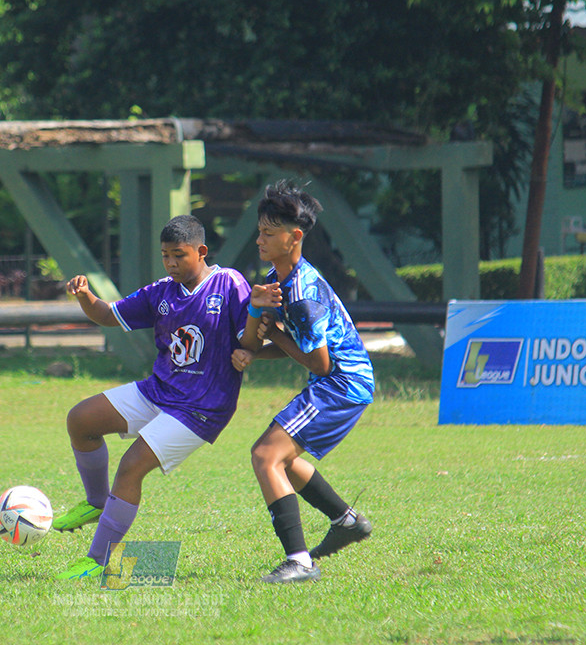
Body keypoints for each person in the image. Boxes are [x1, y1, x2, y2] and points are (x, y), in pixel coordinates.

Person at [54, 214, 251, 580]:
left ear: (201, 251)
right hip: (159, 391)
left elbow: (253, 335)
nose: (172, 263)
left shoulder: (229, 284)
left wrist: (250, 352)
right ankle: (96, 502)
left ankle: (96, 561)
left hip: (202, 407)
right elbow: (109, 315)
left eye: (179, 255)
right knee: (81, 419)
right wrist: (86, 297)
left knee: (130, 467)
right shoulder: (162, 291)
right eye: (165, 256)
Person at [232, 181, 375, 584]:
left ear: (294, 238)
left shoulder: (303, 295)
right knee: (284, 458)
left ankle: (301, 562)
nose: (259, 239)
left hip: (342, 383)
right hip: (339, 381)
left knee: (265, 456)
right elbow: (284, 341)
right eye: (259, 231)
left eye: (268, 233)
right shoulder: (278, 279)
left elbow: (321, 362)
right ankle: (346, 521)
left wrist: (271, 335)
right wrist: (255, 348)